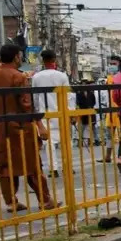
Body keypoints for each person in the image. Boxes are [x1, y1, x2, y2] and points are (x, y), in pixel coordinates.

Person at [0, 43, 56, 212]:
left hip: (1, 127)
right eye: (19, 56)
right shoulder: (19, 77)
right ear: (15, 57)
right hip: (21, 127)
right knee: (32, 164)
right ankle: (45, 200)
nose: (20, 59)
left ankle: (11, 202)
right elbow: (27, 105)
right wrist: (40, 126)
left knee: (6, 166)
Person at [30, 48, 75, 179]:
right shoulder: (62, 76)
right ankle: (68, 167)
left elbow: (35, 98)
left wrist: (36, 113)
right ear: (54, 60)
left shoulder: (36, 77)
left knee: (48, 144)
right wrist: (71, 113)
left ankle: (53, 169)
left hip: (45, 114)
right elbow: (69, 95)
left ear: (43, 61)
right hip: (62, 112)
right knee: (66, 141)